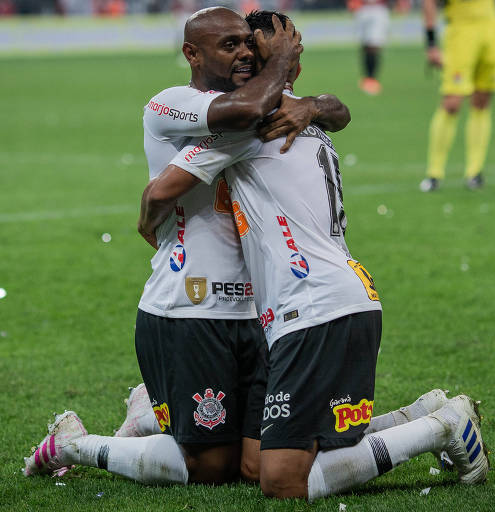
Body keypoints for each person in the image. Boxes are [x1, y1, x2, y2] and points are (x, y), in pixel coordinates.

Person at [139, 10, 490, 501]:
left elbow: (163, 190)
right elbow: (338, 110)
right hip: (320, 299)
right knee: (256, 460)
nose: (245, 60)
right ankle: (414, 419)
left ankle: (440, 428)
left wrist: (147, 218)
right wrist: (310, 96)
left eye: (252, 55)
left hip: (314, 303)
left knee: (280, 481)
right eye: (236, 50)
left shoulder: (255, 127)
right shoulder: (298, 115)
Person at [23, 7, 346, 487]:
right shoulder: (174, 102)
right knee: (211, 468)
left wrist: (313, 103)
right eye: (229, 44)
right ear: (192, 53)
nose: (243, 53)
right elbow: (236, 121)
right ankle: (72, 443)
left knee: (255, 462)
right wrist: (282, 63)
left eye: (247, 44)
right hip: (192, 308)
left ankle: (150, 414)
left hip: (263, 309)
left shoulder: (266, 103)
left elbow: (337, 111)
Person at [419, 0, 495, 191]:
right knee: (451, 103)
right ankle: (434, 173)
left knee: (482, 102)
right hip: (461, 31)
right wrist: (431, 44)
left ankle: (474, 172)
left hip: (491, 27)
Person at [348, 0, 389, 95]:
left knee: (374, 45)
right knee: (365, 46)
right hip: (362, 8)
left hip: (378, 8)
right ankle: (367, 78)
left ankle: (372, 78)